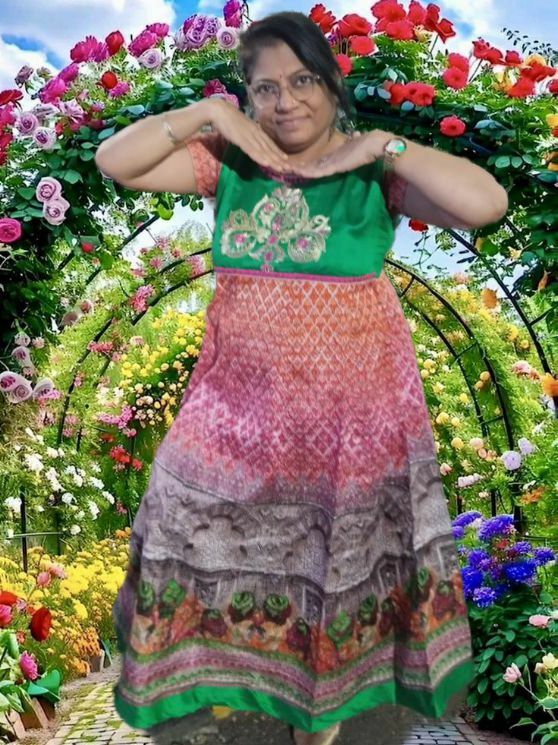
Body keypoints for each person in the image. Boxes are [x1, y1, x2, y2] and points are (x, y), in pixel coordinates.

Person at [95, 11, 508, 745]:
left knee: (332, 579)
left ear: (332, 83)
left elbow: (486, 204)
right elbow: (114, 162)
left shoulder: (376, 173)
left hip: (350, 429)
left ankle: (317, 727)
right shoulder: (229, 163)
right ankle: (220, 687)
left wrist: (383, 145)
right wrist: (211, 112)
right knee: (176, 525)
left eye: (303, 80)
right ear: (248, 97)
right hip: (236, 419)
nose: (285, 101)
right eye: (265, 88)